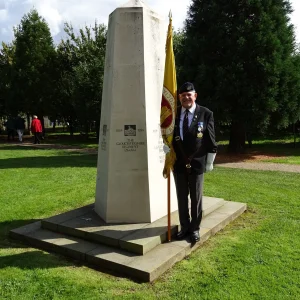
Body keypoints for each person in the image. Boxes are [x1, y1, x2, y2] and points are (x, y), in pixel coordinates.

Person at [171, 82, 217, 243]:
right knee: (181, 198)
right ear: (179, 97)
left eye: (189, 94)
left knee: (196, 198)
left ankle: (195, 229)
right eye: (183, 95)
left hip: (197, 163)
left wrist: (210, 161)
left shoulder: (205, 113)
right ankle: (184, 227)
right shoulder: (173, 114)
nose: (186, 97)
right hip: (178, 163)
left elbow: (211, 140)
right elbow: (166, 136)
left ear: (195, 96)